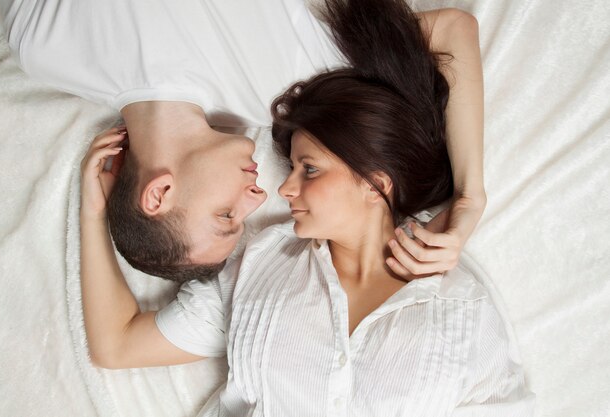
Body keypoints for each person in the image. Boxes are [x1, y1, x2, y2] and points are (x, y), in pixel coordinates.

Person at [80, 0, 533, 415]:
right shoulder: (257, 267)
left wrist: (470, 199)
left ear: (375, 185)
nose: (283, 190)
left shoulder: (462, 309)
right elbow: (116, 345)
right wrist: (93, 210)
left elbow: (453, 29)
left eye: (309, 170)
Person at [0, 0, 486, 281]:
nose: (259, 197)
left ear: (158, 194)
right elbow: (449, 33)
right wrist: (469, 198)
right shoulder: (287, 88)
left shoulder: (44, 50)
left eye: (226, 216)